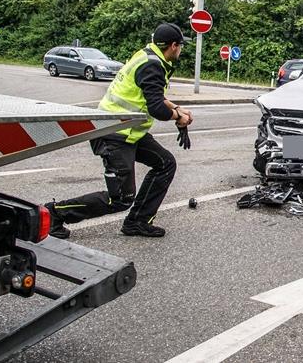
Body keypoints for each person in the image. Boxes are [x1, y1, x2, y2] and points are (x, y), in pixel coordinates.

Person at [45, 23, 194, 238]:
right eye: (181, 46)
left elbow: (154, 96)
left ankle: (138, 222)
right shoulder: (153, 65)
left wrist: (177, 108)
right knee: (121, 199)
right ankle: (55, 213)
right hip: (113, 133)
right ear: (173, 46)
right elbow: (157, 109)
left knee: (165, 163)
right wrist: (178, 117)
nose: (181, 50)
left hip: (129, 131)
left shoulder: (148, 56)